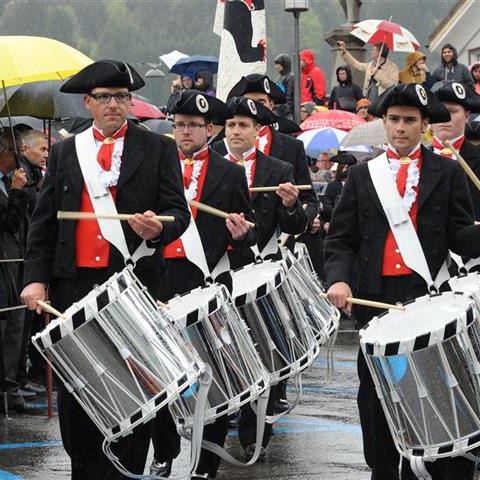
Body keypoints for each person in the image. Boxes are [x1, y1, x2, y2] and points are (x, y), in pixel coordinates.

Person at [20, 59, 190, 479]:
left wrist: (157, 229)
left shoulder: (159, 147)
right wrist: (35, 279)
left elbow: (177, 214)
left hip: (131, 286)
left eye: (121, 97)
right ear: (88, 103)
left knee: (130, 390)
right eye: (104, 98)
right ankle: (85, 467)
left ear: (130, 102)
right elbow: (44, 224)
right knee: (78, 392)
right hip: (73, 286)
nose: (114, 104)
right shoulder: (65, 151)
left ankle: (127, 468)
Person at [325, 82, 480, 479]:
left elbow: (461, 236)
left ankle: (433, 466)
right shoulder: (362, 176)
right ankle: (383, 470)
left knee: (434, 394)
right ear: (384, 122)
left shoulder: (446, 172)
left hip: (426, 297)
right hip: (375, 304)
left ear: (425, 125)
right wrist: (340, 280)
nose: (400, 127)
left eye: (410, 120)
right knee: (375, 400)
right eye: (394, 119)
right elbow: (340, 239)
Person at [149, 90, 256, 480]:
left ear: (209, 130)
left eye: (194, 126)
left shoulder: (230, 174)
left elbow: (246, 240)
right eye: (179, 125)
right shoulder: (156, 166)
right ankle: (163, 451)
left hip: (207, 282)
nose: (185, 132)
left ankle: (207, 461)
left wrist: (241, 236)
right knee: (160, 374)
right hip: (161, 281)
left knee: (215, 376)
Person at [218, 96, 307, 458]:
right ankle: (225, 413)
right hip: (220, 272)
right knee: (223, 351)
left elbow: (296, 226)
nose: (236, 131)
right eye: (231, 125)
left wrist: (290, 205)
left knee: (265, 350)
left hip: (262, 271)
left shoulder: (278, 169)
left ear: (259, 131)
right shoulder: (212, 166)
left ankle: (256, 427)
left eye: (243, 126)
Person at [0, 128, 29, 411]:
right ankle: (6, 390)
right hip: (3, 265)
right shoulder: (9, 185)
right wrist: (17, 193)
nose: (17, 157)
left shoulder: (8, 181)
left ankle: (12, 385)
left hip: (15, 262)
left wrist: (19, 191)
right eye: (14, 151)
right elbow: (7, 222)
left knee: (16, 328)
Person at [432, 81, 480, 220]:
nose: (444, 117)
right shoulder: (413, 161)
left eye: (451, 111)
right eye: (439, 110)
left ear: (466, 116)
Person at [273, 53, 294, 119]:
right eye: (275, 64)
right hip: (279, 108)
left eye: (278, 64)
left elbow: (289, 96)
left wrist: (288, 112)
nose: (276, 67)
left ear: (284, 64)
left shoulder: (290, 77)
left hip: (286, 111)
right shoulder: (279, 77)